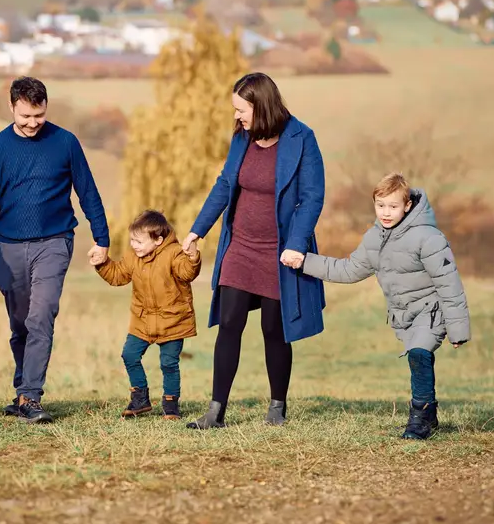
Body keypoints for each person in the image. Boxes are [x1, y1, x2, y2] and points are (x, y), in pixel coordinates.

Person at [182, 72, 327, 429]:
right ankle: (216, 412)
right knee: (229, 323)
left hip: (279, 251)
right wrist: (197, 230)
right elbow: (225, 184)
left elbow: (312, 198)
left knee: (273, 329)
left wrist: (295, 246)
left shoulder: (301, 138)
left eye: (241, 109)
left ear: (260, 106)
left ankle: (277, 407)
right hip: (240, 246)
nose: (237, 117)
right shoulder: (242, 138)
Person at [0, 76, 110, 424]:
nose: (33, 123)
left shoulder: (65, 142)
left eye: (39, 116)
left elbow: (88, 192)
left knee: (41, 316)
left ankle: (31, 396)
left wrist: (102, 238)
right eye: (26, 117)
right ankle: (21, 390)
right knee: (20, 325)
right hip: (9, 249)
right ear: (12, 107)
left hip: (55, 242)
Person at [300, 173, 470, 440]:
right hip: (404, 315)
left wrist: (458, 330)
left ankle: (420, 418)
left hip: (432, 310)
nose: (386, 212)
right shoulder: (374, 239)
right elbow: (348, 269)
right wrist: (303, 262)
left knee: (418, 353)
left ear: (407, 205)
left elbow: (450, 285)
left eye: (392, 206)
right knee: (418, 357)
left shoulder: (429, 238)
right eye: (380, 205)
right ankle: (431, 412)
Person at [90, 210, 202, 420]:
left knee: (169, 363)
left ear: (158, 240)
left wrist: (193, 257)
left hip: (173, 320)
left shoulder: (174, 253)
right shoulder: (134, 256)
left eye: (139, 241)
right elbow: (118, 275)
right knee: (129, 355)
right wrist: (102, 264)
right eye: (132, 240)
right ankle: (140, 399)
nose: (134, 245)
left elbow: (187, 272)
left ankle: (170, 405)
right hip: (143, 319)